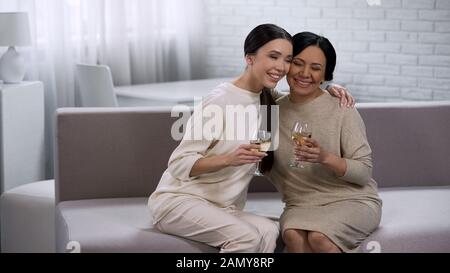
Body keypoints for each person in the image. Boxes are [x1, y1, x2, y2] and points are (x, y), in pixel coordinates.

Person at [148, 24, 353, 253]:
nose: (281, 67)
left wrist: (329, 87)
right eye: (273, 56)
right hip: (179, 201)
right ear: (250, 58)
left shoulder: (268, 99)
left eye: (287, 59)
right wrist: (229, 159)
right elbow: (178, 164)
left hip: (222, 207)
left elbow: (301, 93)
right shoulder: (219, 101)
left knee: (269, 231)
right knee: (246, 239)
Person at [269, 32, 382, 253]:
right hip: (300, 203)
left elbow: (363, 173)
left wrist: (325, 158)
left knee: (321, 239)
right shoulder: (272, 109)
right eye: (298, 64)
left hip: (351, 200)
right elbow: (253, 82)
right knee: (293, 236)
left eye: (315, 68)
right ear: (286, 66)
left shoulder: (341, 108)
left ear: (325, 74)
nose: (305, 73)